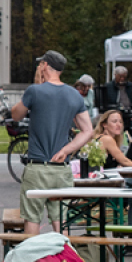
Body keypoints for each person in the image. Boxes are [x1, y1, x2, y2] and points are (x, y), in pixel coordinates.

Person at [11, 51, 95, 235]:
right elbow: (88, 130)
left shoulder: (35, 91)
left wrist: (35, 84)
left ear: (45, 66)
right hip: (61, 168)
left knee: (32, 219)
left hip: (37, 167)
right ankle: (64, 261)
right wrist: (68, 149)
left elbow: (16, 115)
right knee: (60, 222)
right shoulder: (74, 95)